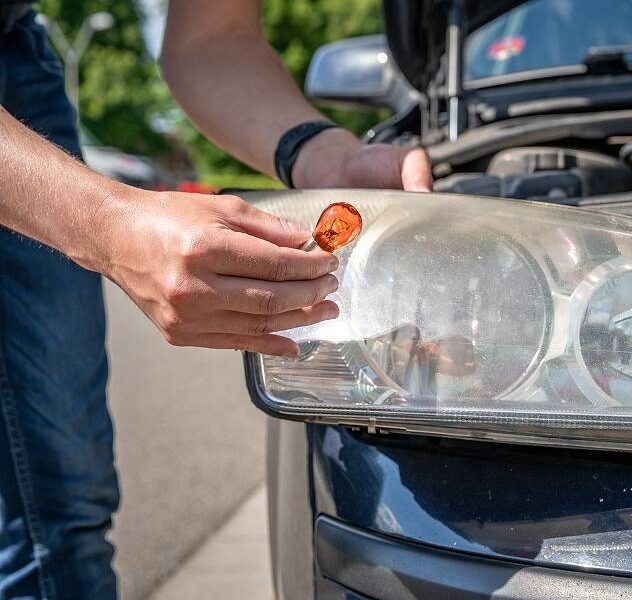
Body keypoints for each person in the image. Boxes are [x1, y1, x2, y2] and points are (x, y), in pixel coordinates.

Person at [0, 0, 432, 597]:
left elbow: (210, 38)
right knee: (34, 522)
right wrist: (107, 225)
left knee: (61, 501)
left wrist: (326, 157)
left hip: (13, 61)